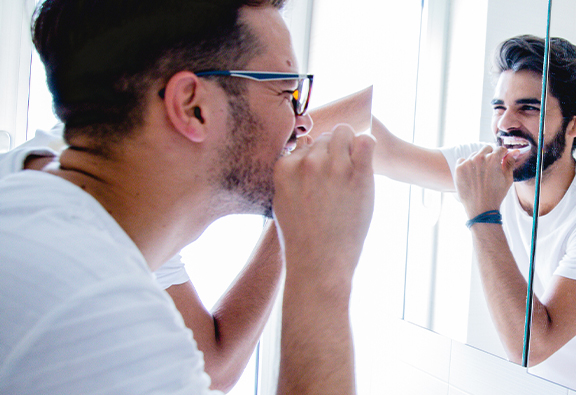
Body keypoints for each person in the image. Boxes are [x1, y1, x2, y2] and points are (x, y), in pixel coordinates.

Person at [0, 1, 375, 394]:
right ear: (192, 107)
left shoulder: (35, 203)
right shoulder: (99, 314)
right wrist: (322, 267)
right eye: (286, 92)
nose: (304, 122)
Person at [339, 35, 576, 393]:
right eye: (498, 107)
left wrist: (483, 214)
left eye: (528, 108)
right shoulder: (486, 165)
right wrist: (296, 110)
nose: (505, 123)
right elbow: (387, 155)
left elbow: (531, 347)